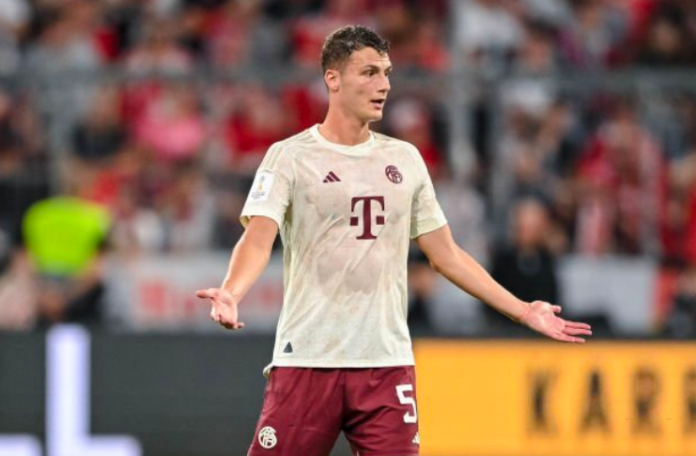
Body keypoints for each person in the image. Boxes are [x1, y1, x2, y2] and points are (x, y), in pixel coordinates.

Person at [196, 25, 592, 456]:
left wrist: (523, 311)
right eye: (368, 72)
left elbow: (448, 256)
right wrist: (233, 291)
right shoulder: (290, 156)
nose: (383, 84)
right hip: (309, 358)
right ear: (333, 78)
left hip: (386, 365)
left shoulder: (404, 159)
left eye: (386, 73)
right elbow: (257, 240)